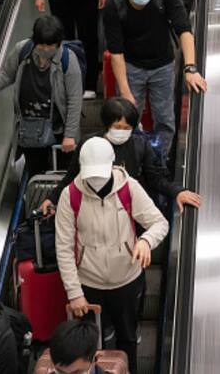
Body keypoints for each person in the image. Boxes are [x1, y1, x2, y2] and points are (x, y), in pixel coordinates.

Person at [55, 137, 169, 374]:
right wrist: (74, 292)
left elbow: (159, 222)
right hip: (89, 283)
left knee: (128, 337)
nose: (95, 180)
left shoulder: (129, 187)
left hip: (127, 279)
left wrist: (146, 241)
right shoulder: (70, 195)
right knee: (91, 345)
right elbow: (64, 248)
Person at [104, 0, 207, 158]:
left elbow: (184, 31)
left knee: (165, 118)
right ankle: (132, 160)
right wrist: (125, 91)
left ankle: (160, 160)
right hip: (131, 66)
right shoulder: (115, 4)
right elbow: (116, 53)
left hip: (163, 65)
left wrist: (191, 68)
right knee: (127, 116)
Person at [42, 96, 201, 214]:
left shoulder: (140, 144)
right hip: (94, 208)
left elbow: (156, 178)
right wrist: (52, 198)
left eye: (127, 128)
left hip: (128, 209)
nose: (122, 132)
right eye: (117, 126)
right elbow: (72, 176)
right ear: (106, 124)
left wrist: (178, 191)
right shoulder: (89, 144)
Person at [0, 15, 82, 175]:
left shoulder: (68, 60)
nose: (46, 50)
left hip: (58, 129)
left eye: (51, 46)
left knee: (63, 173)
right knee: (36, 171)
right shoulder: (22, 50)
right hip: (30, 128)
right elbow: (7, 75)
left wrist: (70, 135)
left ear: (58, 43)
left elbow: (75, 100)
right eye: (41, 45)